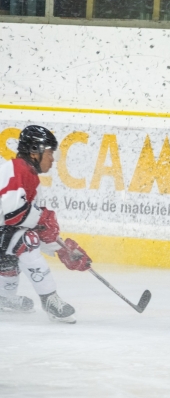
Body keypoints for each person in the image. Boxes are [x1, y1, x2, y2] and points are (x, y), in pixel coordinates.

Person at [0, 126, 92, 323]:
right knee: (25, 240)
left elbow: (30, 222)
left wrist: (63, 250)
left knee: (17, 242)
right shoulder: (16, 169)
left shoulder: (31, 177)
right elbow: (13, 215)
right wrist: (41, 218)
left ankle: (4, 298)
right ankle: (49, 299)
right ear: (35, 150)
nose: (52, 159)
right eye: (50, 153)